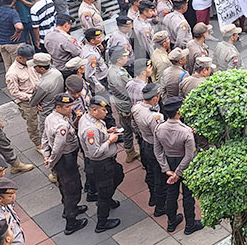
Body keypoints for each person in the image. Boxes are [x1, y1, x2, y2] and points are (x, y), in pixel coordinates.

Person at [153, 97, 204, 235]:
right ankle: (190, 224)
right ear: (178, 112)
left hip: (169, 162)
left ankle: (171, 222)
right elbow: (189, 155)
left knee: (171, 194)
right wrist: (178, 173)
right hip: (185, 165)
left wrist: (167, 169)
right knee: (188, 196)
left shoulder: (159, 128)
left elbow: (157, 151)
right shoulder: (186, 131)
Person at [42, 93, 88, 235]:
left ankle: (70, 208)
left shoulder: (51, 118)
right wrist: (52, 160)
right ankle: (71, 221)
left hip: (62, 158)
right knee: (72, 188)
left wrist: (46, 154)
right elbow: (58, 146)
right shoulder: (61, 125)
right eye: (67, 106)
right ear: (58, 107)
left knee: (64, 185)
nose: (71, 108)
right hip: (65, 158)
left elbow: (44, 137)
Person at [78, 96, 123, 233]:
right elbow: (95, 152)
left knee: (118, 174)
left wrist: (108, 133)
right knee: (104, 192)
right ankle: (102, 223)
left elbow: (100, 134)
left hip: (107, 163)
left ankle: (107, 198)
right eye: (103, 110)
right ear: (94, 110)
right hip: (101, 165)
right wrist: (110, 141)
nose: (106, 113)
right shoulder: (89, 130)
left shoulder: (93, 119)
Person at [131, 84, 166, 217]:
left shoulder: (136, 107)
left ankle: (153, 197)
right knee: (159, 177)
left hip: (145, 143)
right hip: (154, 146)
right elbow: (160, 135)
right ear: (155, 98)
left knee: (150, 173)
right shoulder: (155, 116)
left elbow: (134, 125)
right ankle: (160, 206)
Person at [4, 46, 40, 150]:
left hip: (39, 95)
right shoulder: (12, 73)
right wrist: (30, 97)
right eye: (27, 58)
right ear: (19, 57)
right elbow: (14, 92)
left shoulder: (30, 63)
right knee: (32, 122)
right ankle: (37, 143)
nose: (30, 60)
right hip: (27, 101)